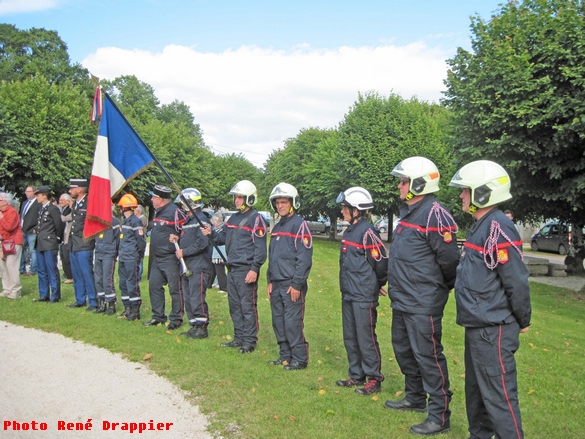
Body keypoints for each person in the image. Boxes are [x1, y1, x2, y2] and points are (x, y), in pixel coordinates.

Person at [449, 160, 531, 439]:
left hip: (493, 327)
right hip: (478, 324)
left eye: (466, 191)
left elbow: (516, 280)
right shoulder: (481, 225)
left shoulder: (499, 226)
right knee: (477, 393)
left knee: (498, 396)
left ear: (483, 193)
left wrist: (523, 318)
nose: (461, 196)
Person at [385, 157, 460, 436]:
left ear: (419, 184)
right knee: (404, 350)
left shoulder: (435, 214)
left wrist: (441, 287)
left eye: (404, 182)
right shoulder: (408, 213)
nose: (399, 186)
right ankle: (415, 397)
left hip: (423, 300)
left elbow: (450, 259)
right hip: (402, 298)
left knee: (428, 356)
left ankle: (440, 415)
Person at [335, 187, 387, 395]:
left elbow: (381, 262)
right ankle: (357, 375)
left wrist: (378, 283)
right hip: (349, 292)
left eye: (345, 208)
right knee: (351, 336)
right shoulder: (350, 231)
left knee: (366, 337)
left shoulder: (368, 232)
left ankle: (374, 378)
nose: (342, 212)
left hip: (363, 295)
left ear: (356, 210)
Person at [206, 180, 267, 354]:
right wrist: (210, 233)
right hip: (231, 269)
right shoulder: (233, 218)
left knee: (247, 306)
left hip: (246, 269)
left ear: (249, 198)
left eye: (240, 197)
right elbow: (222, 238)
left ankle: (249, 341)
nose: (236, 200)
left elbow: (260, 249)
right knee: (234, 305)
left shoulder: (257, 220)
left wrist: (254, 269)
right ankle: (238, 337)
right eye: (235, 197)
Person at [266, 183, 313, 370]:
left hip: (291, 284)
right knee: (278, 321)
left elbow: (304, 259)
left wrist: (297, 284)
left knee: (292, 323)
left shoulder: (300, 226)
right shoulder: (277, 227)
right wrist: (269, 281)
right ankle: (285, 356)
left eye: (284, 202)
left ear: (292, 203)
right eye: (277, 203)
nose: (280, 206)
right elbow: (273, 257)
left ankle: (299, 359)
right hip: (276, 283)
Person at [170, 188, 213, 339]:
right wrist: (177, 238)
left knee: (196, 297)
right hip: (187, 265)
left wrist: (184, 251)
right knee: (188, 297)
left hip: (199, 265)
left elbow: (202, 243)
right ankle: (194, 325)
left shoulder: (202, 219)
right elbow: (189, 239)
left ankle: (202, 327)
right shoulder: (188, 221)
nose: (181, 206)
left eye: (183, 203)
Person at [144, 185, 185, 329]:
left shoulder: (175, 212)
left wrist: (178, 237)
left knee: (175, 289)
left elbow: (185, 231)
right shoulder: (157, 212)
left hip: (170, 258)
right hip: (157, 258)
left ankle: (176, 319)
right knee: (154, 286)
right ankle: (158, 316)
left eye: (153, 197)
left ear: (160, 199)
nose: (151, 199)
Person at [67, 178, 97, 311]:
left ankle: (93, 300)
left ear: (79, 189)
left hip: (84, 243)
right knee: (77, 273)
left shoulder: (89, 203)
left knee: (86, 272)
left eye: (72, 188)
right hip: (74, 243)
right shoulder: (76, 204)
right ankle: (80, 299)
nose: (69, 191)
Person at [32, 186, 64, 303]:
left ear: (44, 195)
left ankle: (55, 295)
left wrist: (57, 239)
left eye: (38, 195)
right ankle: (43, 294)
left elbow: (58, 225)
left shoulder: (52, 209)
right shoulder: (42, 209)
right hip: (41, 242)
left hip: (50, 243)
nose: (37, 197)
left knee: (51, 269)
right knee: (41, 270)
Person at [117, 194, 146, 321]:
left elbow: (141, 241)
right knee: (123, 283)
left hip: (131, 257)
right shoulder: (126, 221)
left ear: (124, 208)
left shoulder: (135, 221)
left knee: (131, 283)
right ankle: (127, 308)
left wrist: (139, 256)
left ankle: (135, 310)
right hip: (123, 257)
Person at [94, 207, 120, 314]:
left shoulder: (114, 222)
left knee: (107, 279)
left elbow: (118, 239)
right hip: (99, 252)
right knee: (98, 279)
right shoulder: (97, 221)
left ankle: (111, 304)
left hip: (109, 254)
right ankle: (101, 303)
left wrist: (115, 253)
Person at [0, 192, 24, 299]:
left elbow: (9, 227)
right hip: (3, 242)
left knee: (11, 266)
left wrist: (1, 218)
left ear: (5, 201)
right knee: (3, 267)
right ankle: (7, 288)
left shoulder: (11, 212)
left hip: (13, 242)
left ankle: (16, 290)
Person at [19, 185, 40, 276]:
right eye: (26, 191)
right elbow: (22, 216)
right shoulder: (24, 203)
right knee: (21, 249)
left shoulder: (38, 204)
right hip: (22, 230)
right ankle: (21, 268)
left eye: (29, 191)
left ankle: (32, 270)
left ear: (34, 192)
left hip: (32, 231)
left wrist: (36, 228)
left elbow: (40, 217)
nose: (26, 193)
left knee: (33, 251)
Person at [209, 212, 227, 292]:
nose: (213, 224)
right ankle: (208, 284)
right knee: (213, 270)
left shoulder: (221, 229)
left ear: (217, 222)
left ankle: (223, 287)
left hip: (220, 253)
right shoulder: (216, 228)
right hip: (216, 252)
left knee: (220, 271)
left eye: (214, 223)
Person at [58, 194, 73, 284]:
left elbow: (67, 218)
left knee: (67, 257)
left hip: (69, 237)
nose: (60, 202)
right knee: (63, 256)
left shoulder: (70, 209)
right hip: (63, 237)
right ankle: (67, 274)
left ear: (68, 201)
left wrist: (59, 217)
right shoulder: (62, 209)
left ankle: (70, 276)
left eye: (62, 200)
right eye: (60, 200)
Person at [135, 204, 148, 280]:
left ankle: (138, 276)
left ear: (138, 211)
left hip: (141, 240)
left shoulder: (143, 219)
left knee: (140, 259)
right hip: (137, 240)